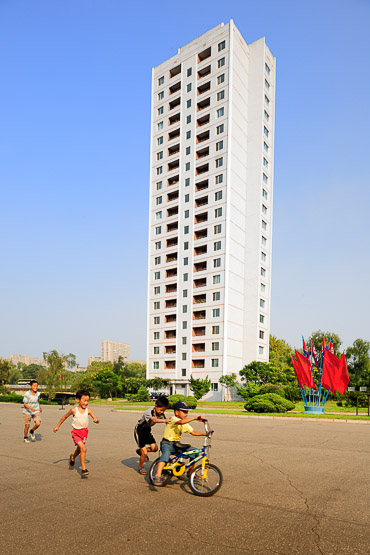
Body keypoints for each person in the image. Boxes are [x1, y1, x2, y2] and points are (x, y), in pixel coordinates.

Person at [153, 400, 207, 486]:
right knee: (165, 455)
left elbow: (193, 432)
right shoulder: (173, 419)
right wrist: (194, 418)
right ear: (176, 412)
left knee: (196, 453)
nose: (186, 414)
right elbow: (181, 422)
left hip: (176, 444)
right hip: (167, 443)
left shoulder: (184, 423)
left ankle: (190, 472)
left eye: (187, 412)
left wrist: (205, 434)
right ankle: (158, 475)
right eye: (184, 411)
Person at [53, 389, 99, 478]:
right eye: (84, 401)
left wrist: (96, 420)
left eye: (88, 401)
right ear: (78, 400)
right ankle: (83, 469)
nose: (86, 403)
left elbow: (96, 418)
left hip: (84, 432)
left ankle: (73, 457)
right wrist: (57, 426)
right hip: (76, 433)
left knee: (80, 449)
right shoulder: (74, 410)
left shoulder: (88, 410)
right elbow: (64, 417)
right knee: (83, 448)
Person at [134, 395, 170, 475]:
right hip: (140, 430)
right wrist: (164, 420)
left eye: (164, 411)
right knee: (145, 453)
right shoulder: (149, 412)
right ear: (156, 406)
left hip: (147, 430)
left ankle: (141, 451)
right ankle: (140, 467)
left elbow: (167, 422)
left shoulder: (161, 414)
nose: (162, 412)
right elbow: (154, 419)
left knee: (155, 448)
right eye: (161, 410)